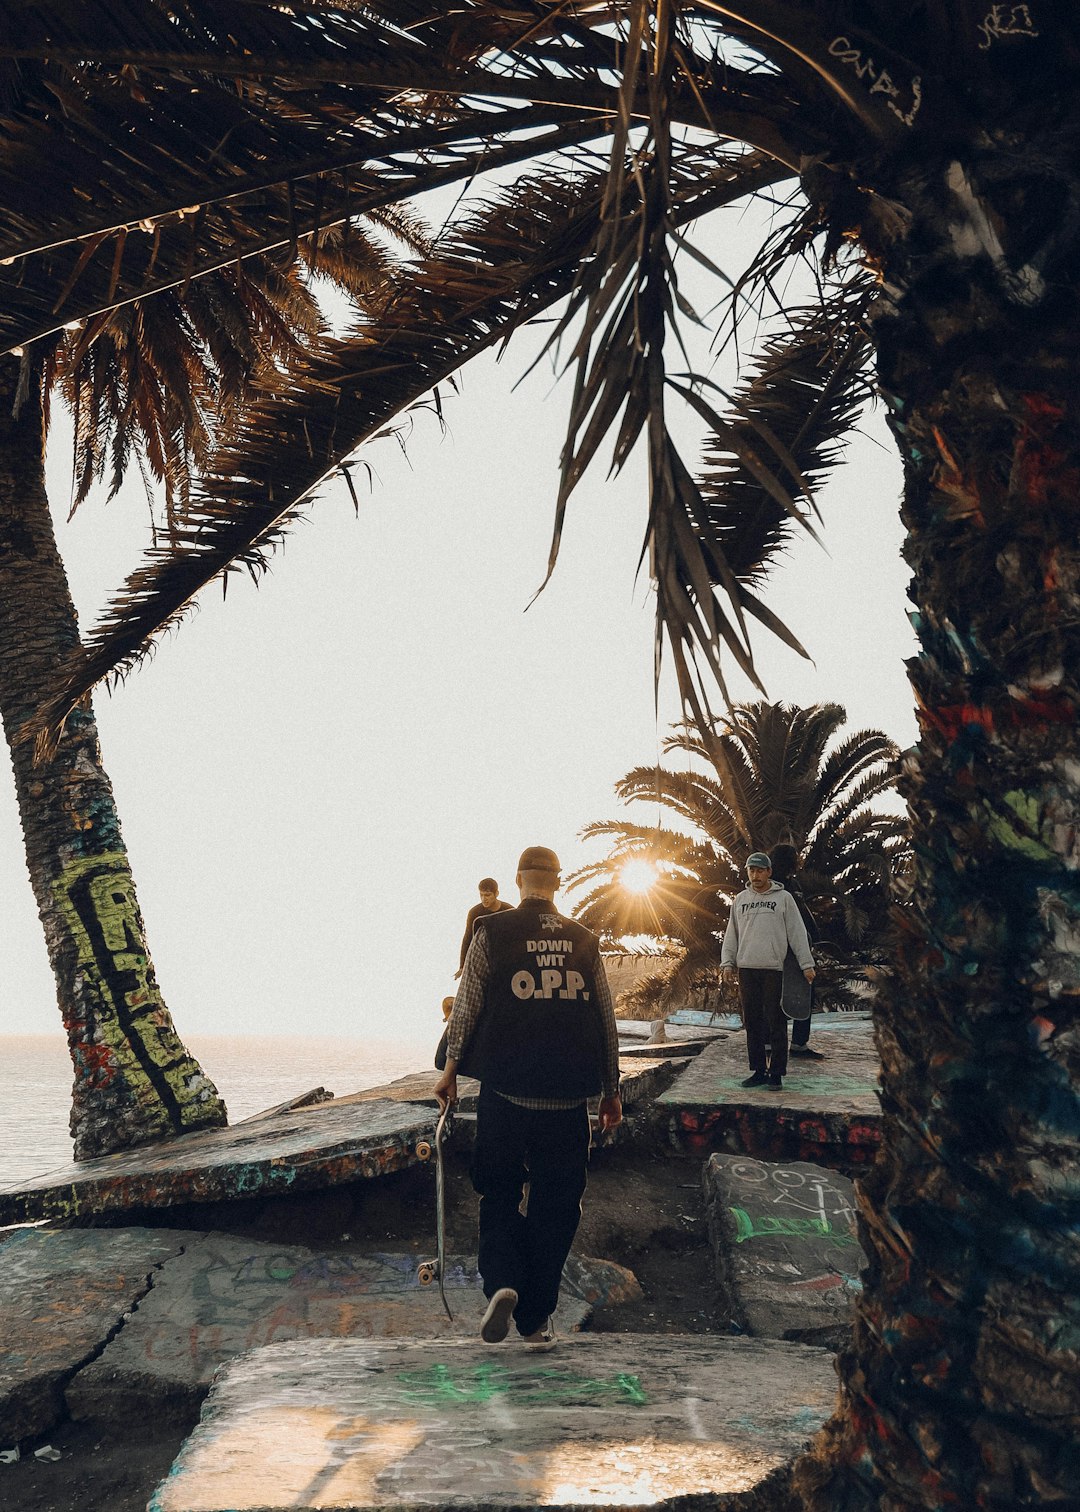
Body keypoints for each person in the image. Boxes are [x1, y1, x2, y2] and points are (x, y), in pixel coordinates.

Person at [435, 845, 622, 1351]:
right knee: (557, 1206)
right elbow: (605, 1019)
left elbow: (468, 1006)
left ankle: (503, 1285)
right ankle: (535, 1317)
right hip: (566, 1101)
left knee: (497, 1193)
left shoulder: (491, 932)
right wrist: (611, 1090)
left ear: (518, 881)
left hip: (505, 1093)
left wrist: (450, 1073)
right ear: (558, 884)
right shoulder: (585, 940)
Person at [721, 852, 815, 1090]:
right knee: (752, 1022)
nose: (756, 875)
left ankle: (776, 1073)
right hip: (747, 969)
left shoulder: (784, 899)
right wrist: (727, 962)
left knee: (776, 1021)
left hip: (774, 969)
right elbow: (731, 934)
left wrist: (807, 964)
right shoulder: (740, 900)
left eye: (760, 870)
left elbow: (797, 932)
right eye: (751, 870)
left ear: (769, 872)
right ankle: (759, 1071)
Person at [769, 843, 825, 1060]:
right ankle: (795, 1044)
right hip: (787, 949)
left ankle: (794, 1044)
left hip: (796, 946)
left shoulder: (791, 884)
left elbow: (803, 916)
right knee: (798, 993)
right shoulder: (778, 887)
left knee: (799, 993)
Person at [455, 877, 513, 978]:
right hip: (481, 959)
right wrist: (462, 966)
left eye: (487, 895)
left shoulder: (509, 910)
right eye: (481, 895)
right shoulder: (474, 912)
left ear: (496, 894)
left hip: (504, 959)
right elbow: (468, 938)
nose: (483, 899)